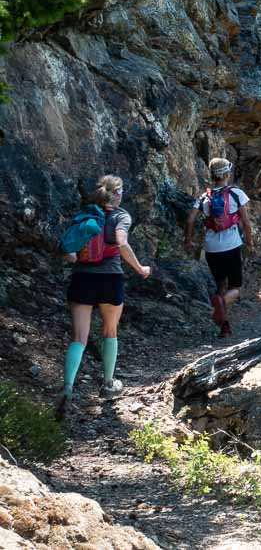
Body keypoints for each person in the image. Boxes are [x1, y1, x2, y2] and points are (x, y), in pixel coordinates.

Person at [58, 175, 151, 416]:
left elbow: (69, 254)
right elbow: (121, 242)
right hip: (110, 278)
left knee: (79, 337)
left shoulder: (85, 215)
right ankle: (108, 384)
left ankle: (67, 388)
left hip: (82, 279)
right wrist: (140, 268)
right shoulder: (121, 216)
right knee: (110, 331)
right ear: (117, 194)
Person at [184, 158, 254, 339]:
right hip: (231, 246)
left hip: (211, 248)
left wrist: (188, 240)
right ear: (226, 174)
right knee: (236, 288)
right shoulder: (236, 193)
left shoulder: (204, 197)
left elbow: (190, 220)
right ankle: (221, 301)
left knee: (221, 284)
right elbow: (245, 221)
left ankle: (224, 327)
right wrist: (249, 241)